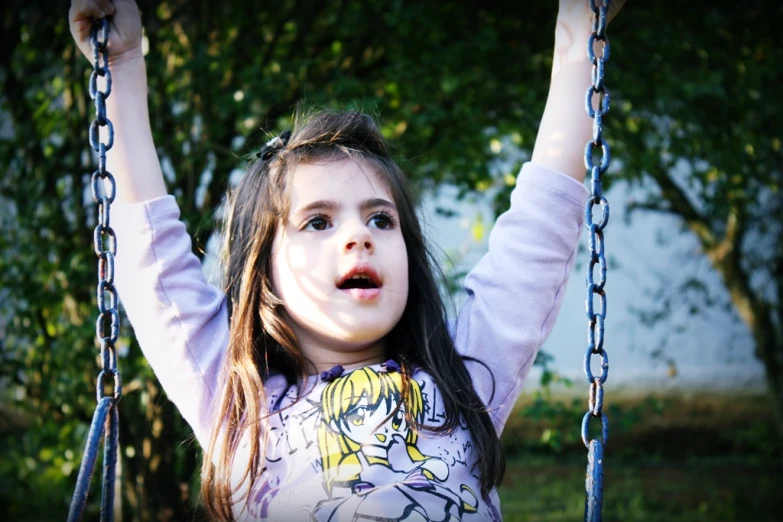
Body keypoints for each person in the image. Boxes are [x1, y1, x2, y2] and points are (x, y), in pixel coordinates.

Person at [69, 0, 624, 520]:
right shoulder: (234, 397)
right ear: (265, 271)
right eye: (318, 221)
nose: (359, 235)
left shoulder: (465, 376)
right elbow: (150, 250)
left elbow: (539, 227)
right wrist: (119, 62)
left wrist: (579, 33)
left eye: (381, 219)